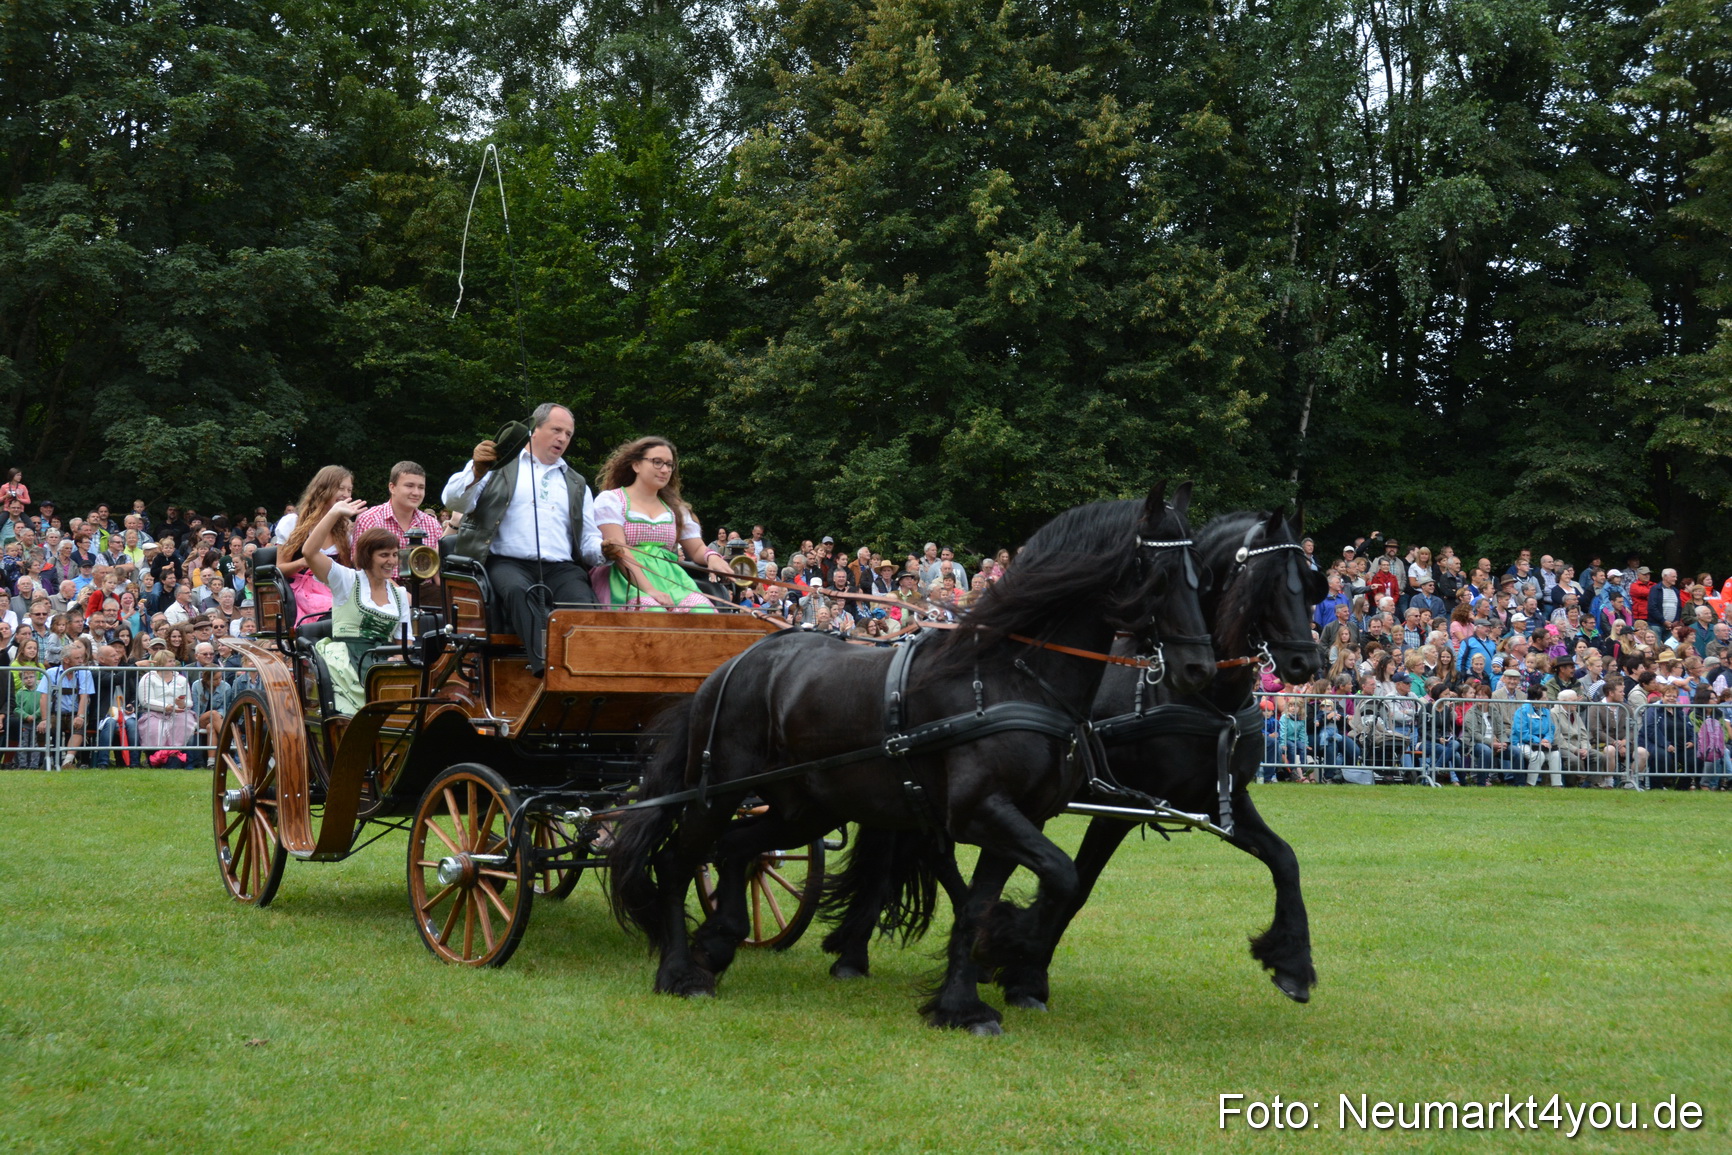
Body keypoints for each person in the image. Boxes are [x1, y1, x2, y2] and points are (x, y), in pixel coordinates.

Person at [441, 404, 602, 673]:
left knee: (582, 600)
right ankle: (548, 669)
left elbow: (588, 540)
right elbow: (453, 500)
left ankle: (588, 670)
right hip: (506, 562)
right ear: (534, 430)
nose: (563, 438)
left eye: (568, 434)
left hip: (560, 567)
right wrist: (477, 472)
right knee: (518, 591)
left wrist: (606, 550)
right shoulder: (497, 464)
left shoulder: (576, 483)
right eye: (556, 430)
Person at [593, 436, 731, 612]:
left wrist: (712, 557)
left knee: (704, 613)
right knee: (654, 612)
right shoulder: (612, 500)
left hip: (671, 579)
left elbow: (696, 550)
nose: (665, 470)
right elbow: (620, 551)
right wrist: (650, 590)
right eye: (657, 462)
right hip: (626, 578)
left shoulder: (675, 509)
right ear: (636, 465)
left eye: (669, 465)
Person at [301, 497, 411, 715]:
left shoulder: (399, 595)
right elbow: (309, 553)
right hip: (346, 664)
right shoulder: (348, 580)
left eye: (395, 555)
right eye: (384, 555)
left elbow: (404, 644)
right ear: (367, 556)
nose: (391, 561)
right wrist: (333, 514)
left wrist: (397, 658)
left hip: (382, 663)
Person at [278, 465, 356, 625]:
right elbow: (280, 569)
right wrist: (303, 562)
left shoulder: (346, 529)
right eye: (341, 488)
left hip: (334, 589)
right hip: (302, 592)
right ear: (323, 489)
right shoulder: (293, 523)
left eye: (349, 490)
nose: (346, 495)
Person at [351, 461, 443, 579]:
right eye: (409, 486)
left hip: (424, 589)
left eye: (421, 487)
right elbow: (363, 566)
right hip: (381, 588)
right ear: (392, 487)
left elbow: (438, 572)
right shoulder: (370, 519)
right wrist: (400, 595)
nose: (416, 493)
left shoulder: (432, 524)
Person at [137, 638, 197, 761]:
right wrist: (166, 707)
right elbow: (146, 700)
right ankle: (156, 758)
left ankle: (177, 757)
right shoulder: (148, 677)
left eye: (173, 661)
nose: (173, 664)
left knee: (184, 723)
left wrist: (182, 704)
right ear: (160, 663)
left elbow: (190, 702)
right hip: (154, 713)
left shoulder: (181, 679)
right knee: (154, 728)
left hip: (178, 712)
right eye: (169, 661)